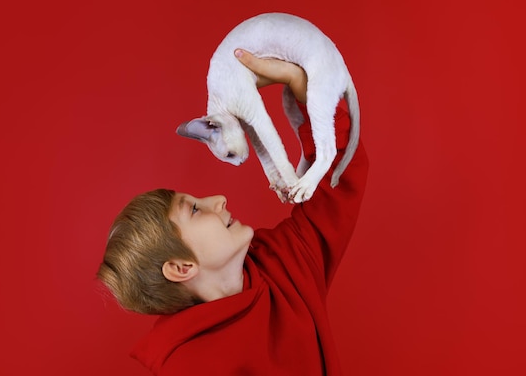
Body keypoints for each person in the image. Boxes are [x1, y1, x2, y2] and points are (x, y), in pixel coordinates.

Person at [97, 49, 369, 375]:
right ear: (182, 267)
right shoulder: (188, 365)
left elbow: (339, 180)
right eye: (195, 210)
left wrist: (302, 86)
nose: (219, 199)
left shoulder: (281, 260)